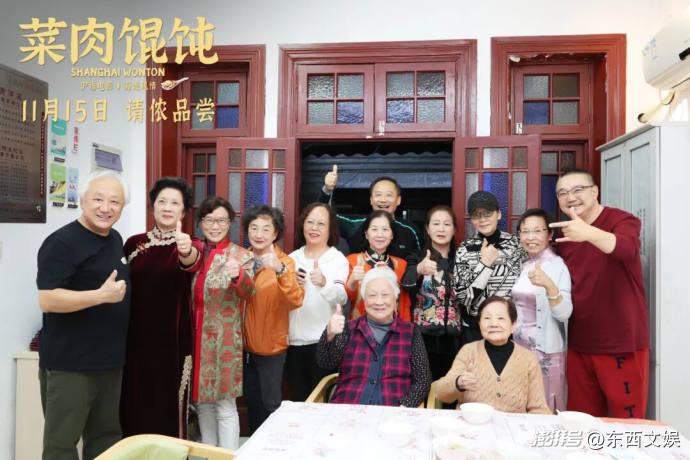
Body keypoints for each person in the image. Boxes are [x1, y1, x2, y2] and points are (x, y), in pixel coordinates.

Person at [36, 170, 130, 460]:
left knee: (106, 442)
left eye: (114, 201)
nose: (106, 208)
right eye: (98, 199)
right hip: (71, 365)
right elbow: (47, 299)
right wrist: (99, 296)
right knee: (62, 446)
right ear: (82, 199)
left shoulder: (115, 238)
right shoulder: (62, 242)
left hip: (110, 363)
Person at [549, 169, 649, 418]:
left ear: (595, 191)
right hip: (580, 342)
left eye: (577, 190)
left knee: (627, 423)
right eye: (563, 193)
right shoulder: (566, 234)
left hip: (621, 342)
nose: (570, 197)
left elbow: (626, 249)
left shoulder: (622, 220)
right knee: (581, 421)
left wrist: (588, 233)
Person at [119, 177, 201, 438]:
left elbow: (191, 261)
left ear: (183, 212)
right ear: (152, 206)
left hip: (173, 342)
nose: (167, 207)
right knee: (134, 401)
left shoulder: (191, 243)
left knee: (169, 404)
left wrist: (185, 250)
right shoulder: (134, 243)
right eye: (162, 201)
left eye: (175, 203)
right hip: (135, 339)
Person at [183, 197, 255, 449]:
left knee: (225, 405)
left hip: (224, 340)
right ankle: (208, 454)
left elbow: (249, 291)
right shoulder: (194, 254)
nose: (215, 226)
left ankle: (228, 455)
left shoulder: (242, 255)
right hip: (195, 339)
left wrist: (238, 275)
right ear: (201, 223)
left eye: (222, 220)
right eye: (209, 220)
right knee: (203, 404)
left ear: (230, 223)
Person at [316, 267, 432, 407]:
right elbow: (326, 363)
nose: (378, 302)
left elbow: (423, 380)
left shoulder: (410, 332)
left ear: (395, 298)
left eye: (385, 295)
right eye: (372, 295)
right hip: (348, 409)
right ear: (364, 299)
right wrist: (329, 334)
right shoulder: (348, 328)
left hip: (393, 412)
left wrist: (404, 407)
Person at [243, 206, 305, 434]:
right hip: (243, 347)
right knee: (251, 403)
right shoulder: (242, 259)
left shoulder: (285, 262)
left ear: (276, 233)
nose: (259, 234)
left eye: (266, 229)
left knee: (270, 406)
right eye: (254, 228)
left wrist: (279, 270)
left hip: (271, 348)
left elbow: (296, 299)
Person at [435, 296, 551, 414]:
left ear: (513, 325)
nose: (493, 324)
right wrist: (458, 383)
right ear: (479, 324)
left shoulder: (528, 359)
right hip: (472, 423)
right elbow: (441, 394)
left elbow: (539, 409)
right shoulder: (468, 351)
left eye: (501, 318)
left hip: (512, 425)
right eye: (487, 318)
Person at [511, 208, 572, 412]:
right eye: (525, 231)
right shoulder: (526, 265)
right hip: (520, 349)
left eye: (537, 231)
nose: (530, 237)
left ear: (550, 234)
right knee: (522, 405)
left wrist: (549, 285)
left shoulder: (557, 266)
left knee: (544, 409)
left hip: (545, 352)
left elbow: (564, 314)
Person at [287, 203, 349, 401]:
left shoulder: (337, 259)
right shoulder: (291, 259)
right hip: (294, 341)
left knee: (323, 403)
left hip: (324, 342)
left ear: (330, 229)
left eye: (321, 224)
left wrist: (323, 283)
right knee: (298, 401)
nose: (314, 228)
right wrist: (291, 286)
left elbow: (341, 297)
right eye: (310, 222)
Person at [453, 191, 523, 346]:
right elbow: (464, 298)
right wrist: (485, 265)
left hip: (509, 328)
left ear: (499, 214)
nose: (482, 219)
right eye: (476, 215)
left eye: (488, 213)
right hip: (474, 329)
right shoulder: (464, 249)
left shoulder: (516, 245)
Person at [402, 205, 461, 380]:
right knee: (424, 385)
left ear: (454, 229)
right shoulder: (417, 257)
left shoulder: (460, 260)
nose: (441, 229)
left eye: (446, 224)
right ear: (427, 229)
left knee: (450, 388)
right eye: (436, 224)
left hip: (455, 340)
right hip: (423, 338)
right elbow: (406, 284)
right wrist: (418, 270)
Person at [318, 165, 421, 258]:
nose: (383, 199)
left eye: (389, 195)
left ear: (398, 200)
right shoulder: (354, 224)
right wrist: (328, 189)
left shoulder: (411, 230)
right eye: (378, 194)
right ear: (371, 200)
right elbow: (324, 215)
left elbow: (419, 259)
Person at [345, 210, 411, 321]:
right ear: (366, 234)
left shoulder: (401, 265)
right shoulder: (352, 261)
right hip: (359, 328)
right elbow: (346, 298)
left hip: (393, 329)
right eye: (374, 229)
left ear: (392, 235)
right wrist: (352, 281)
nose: (380, 235)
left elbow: (404, 305)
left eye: (385, 229)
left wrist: (406, 329)